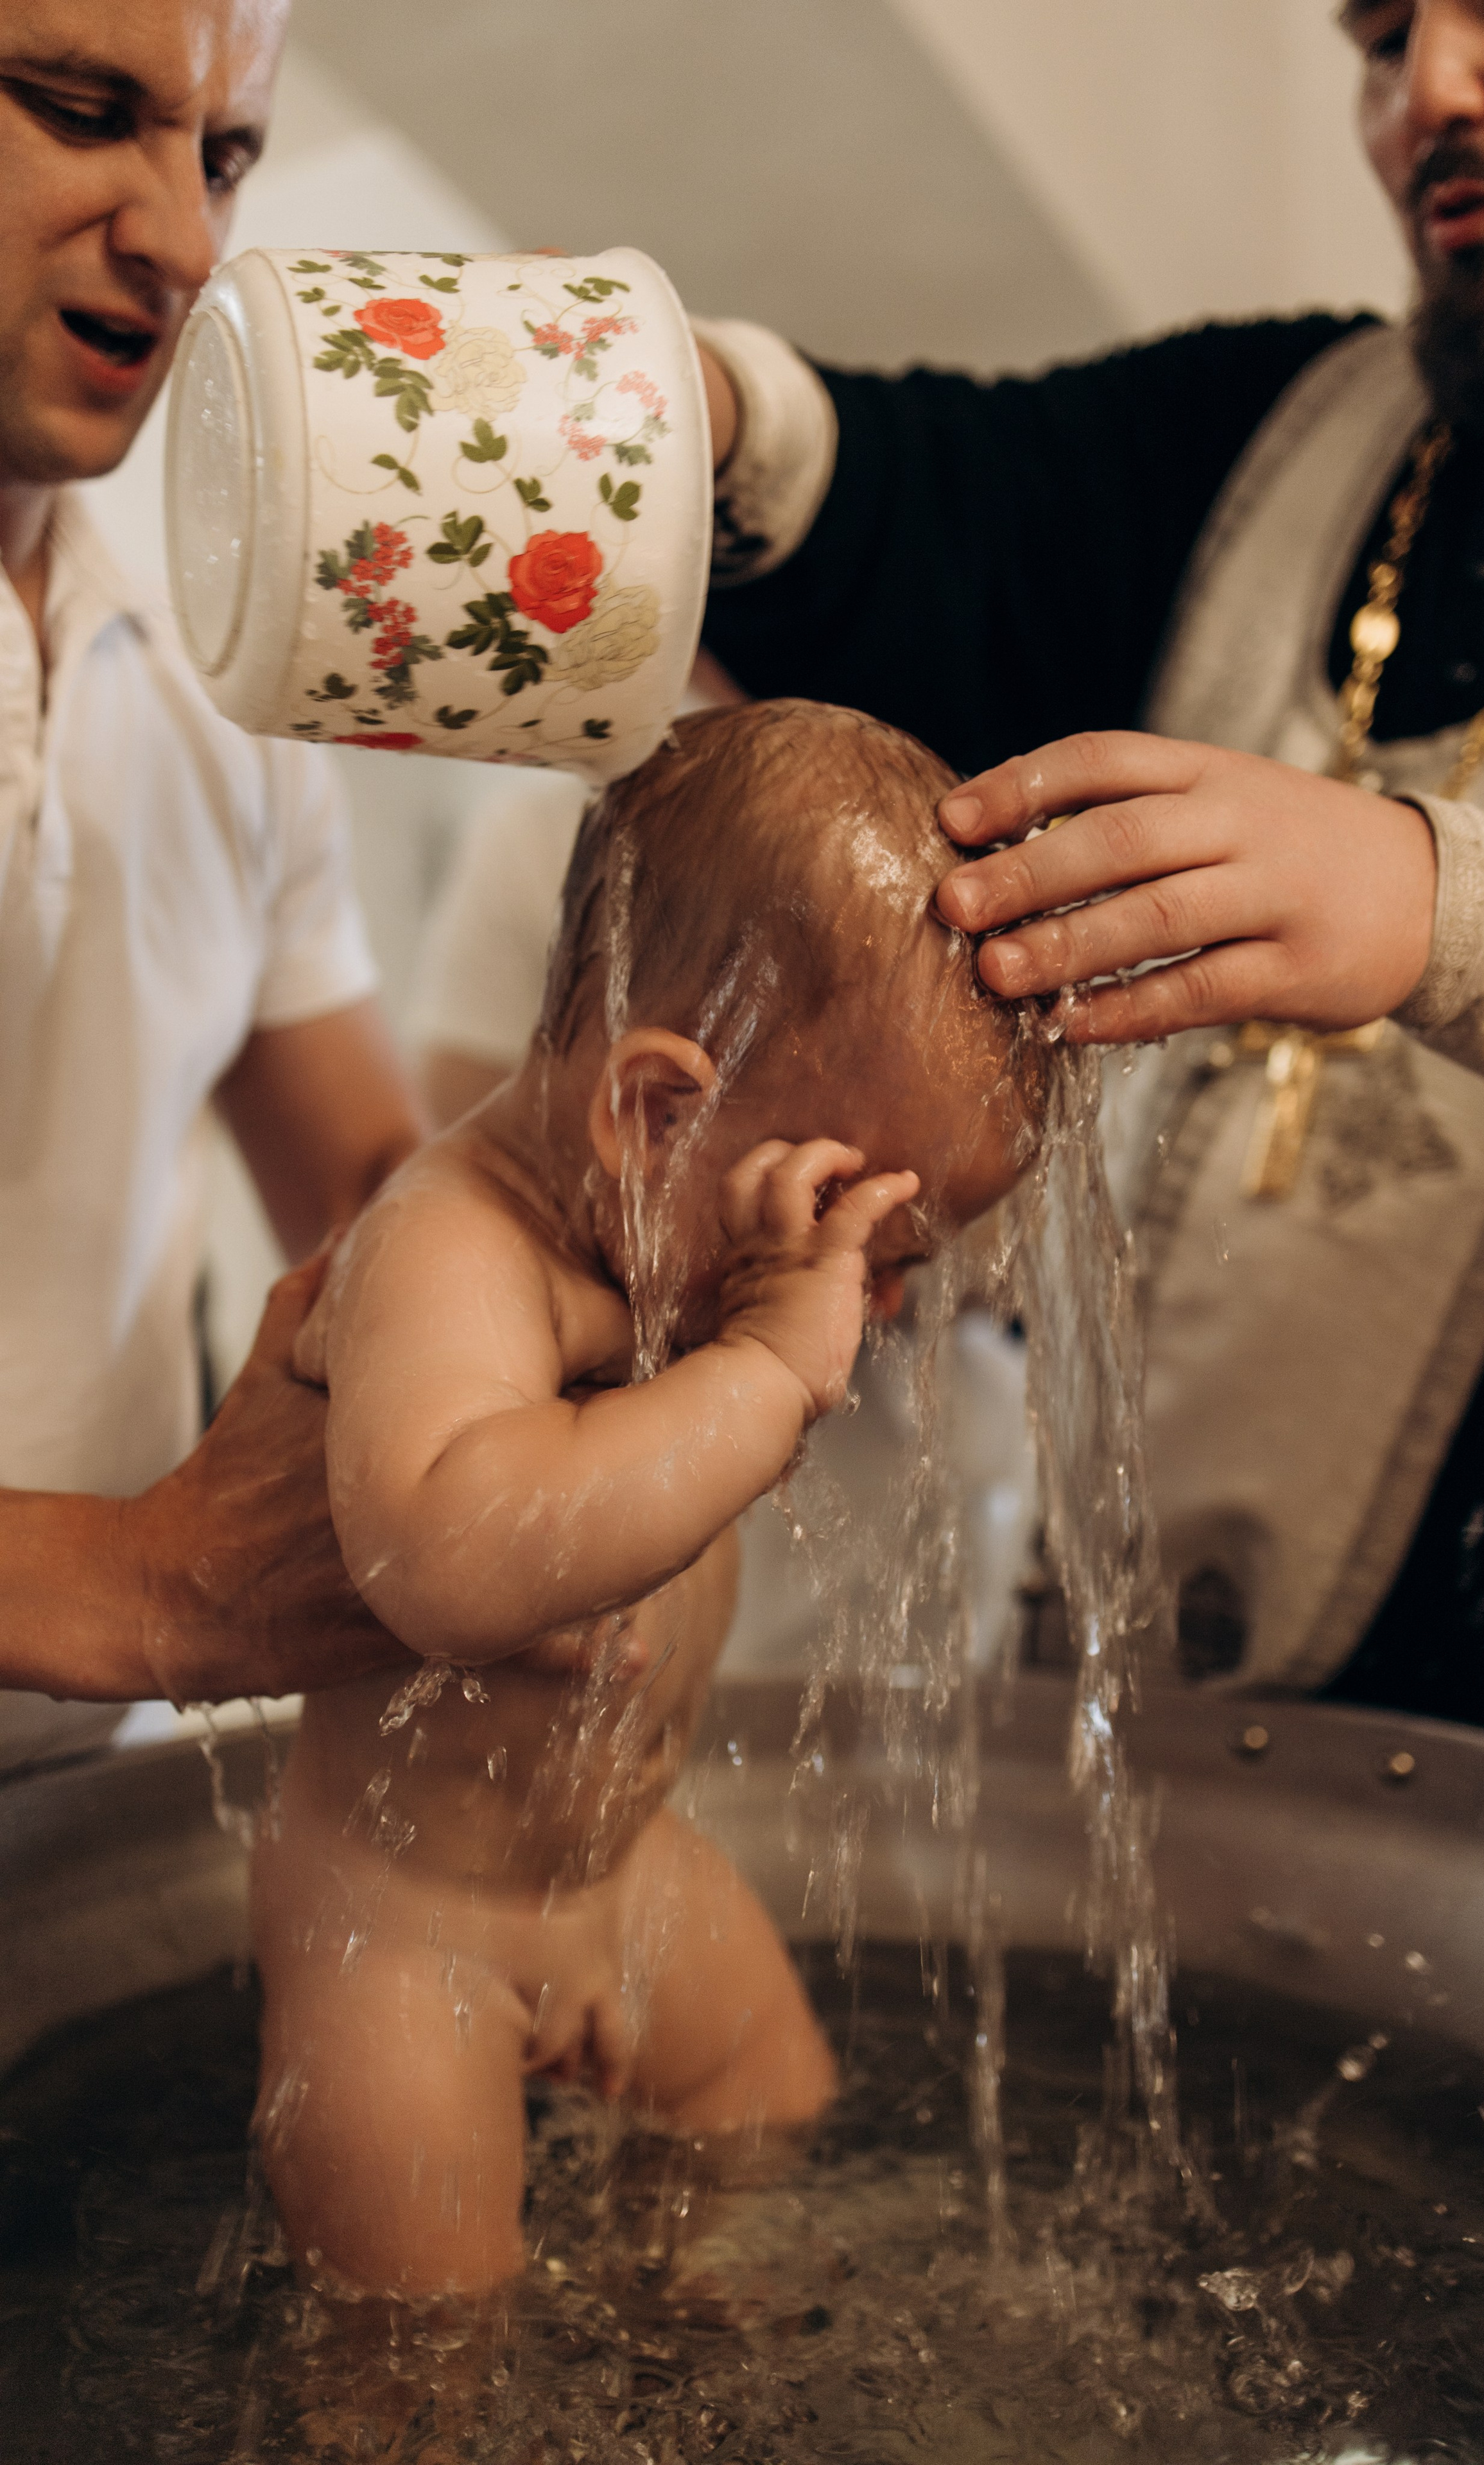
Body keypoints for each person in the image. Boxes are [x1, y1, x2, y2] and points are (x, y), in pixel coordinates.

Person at [686, 0, 1484, 1765]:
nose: (1426, 88)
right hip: (1152, 1756)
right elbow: (927, 504)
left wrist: (1434, 904)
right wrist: (694, 410)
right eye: (1376, 34)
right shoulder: (1294, 432)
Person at [250, 702, 1045, 2296]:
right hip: (407, 1935)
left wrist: (757, 1317)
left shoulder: (661, 1240)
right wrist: (758, 1365)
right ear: (657, 1112)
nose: (866, 1308)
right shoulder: (453, 1249)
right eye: (858, 1238)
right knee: (421, 2344)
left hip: (619, 1867)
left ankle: (677, 2363)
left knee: (774, 2104)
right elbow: (454, 1561)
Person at [0, 0, 422, 1760]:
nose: (182, 237)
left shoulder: (214, 674)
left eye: (224, 151)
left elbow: (370, 1183)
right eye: (86, 108)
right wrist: (137, 1583)